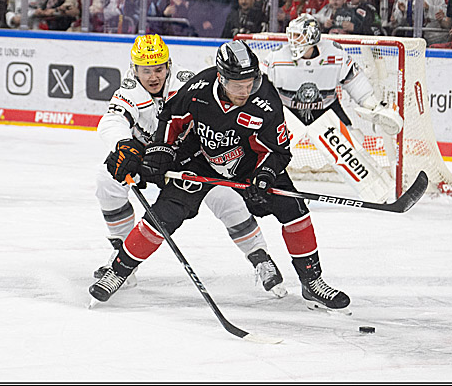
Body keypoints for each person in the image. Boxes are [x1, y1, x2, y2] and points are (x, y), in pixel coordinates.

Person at [91, 40, 349, 311]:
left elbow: (280, 151)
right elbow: (171, 118)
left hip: (250, 167)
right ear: (221, 78)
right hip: (199, 161)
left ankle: (312, 281)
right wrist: (160, 151)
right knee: (163, 214)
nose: (245, 90)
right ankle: (119, 270)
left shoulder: (267, 101)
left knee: (294, 208)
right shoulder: (199, 88)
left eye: (250, 82)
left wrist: (265, 176)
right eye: (237, 85)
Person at [93, 34, 288, 296]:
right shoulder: (129, 90)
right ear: (134, 69)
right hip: (149, 157)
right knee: (106, 179)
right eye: (146, 70)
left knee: (224, 196)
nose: (153, 77)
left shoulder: (187, 82)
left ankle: (259, 257)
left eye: (159, 69)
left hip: (191, 156)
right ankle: (121, 258)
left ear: (169, 66)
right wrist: (123, 144)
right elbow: (110, 121)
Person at [260, 14, 403, 202]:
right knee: (271, 149)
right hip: (289, 113)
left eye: (298, 36)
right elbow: (260, 87)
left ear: (311, 37)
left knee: (353, 146)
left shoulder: (335, 53)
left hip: (326, 109)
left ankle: (379, 193)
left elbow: (354, 81)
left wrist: (372, 105)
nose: (292, 41)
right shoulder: (277, 57)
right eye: (291, 35)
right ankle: (259, 184)